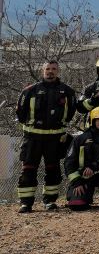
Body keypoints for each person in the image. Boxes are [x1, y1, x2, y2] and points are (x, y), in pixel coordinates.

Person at [15, 61, 77, 212]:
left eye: (54, 69)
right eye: (47, 69)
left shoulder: (68, 91)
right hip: (32, 138)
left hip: (55, 139)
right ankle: (26, 203)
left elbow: (71, 113)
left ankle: (49, 201)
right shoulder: (29, 91)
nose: (50, 71)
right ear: (42, 71)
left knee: (53, 171)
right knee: (28, 170)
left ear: (58, 71)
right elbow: (21, 113)